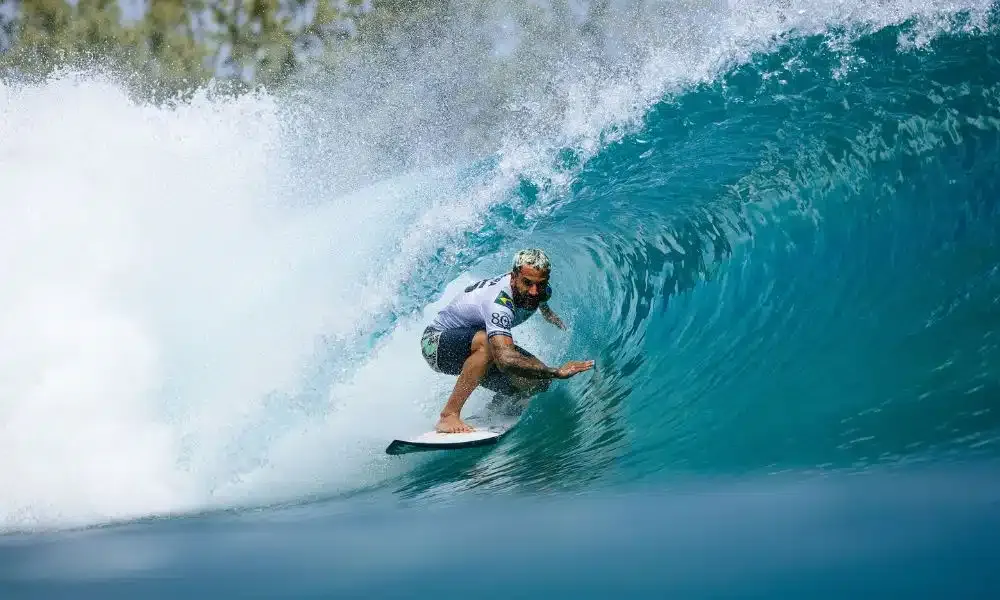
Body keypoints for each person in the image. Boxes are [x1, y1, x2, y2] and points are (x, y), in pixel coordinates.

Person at [419, 248, 595, 433]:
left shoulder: (541, 291)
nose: (534, 292)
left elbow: (539, 297)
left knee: (538, 381)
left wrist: (548, 314)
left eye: (540, 284)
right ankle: (448, 415)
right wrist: (556, 371)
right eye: (527, 283)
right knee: (490, 347)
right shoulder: (499, 303)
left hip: (470, 347)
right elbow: (504, 359)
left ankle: (500, 404)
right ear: (513, 277)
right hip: (436, 345)